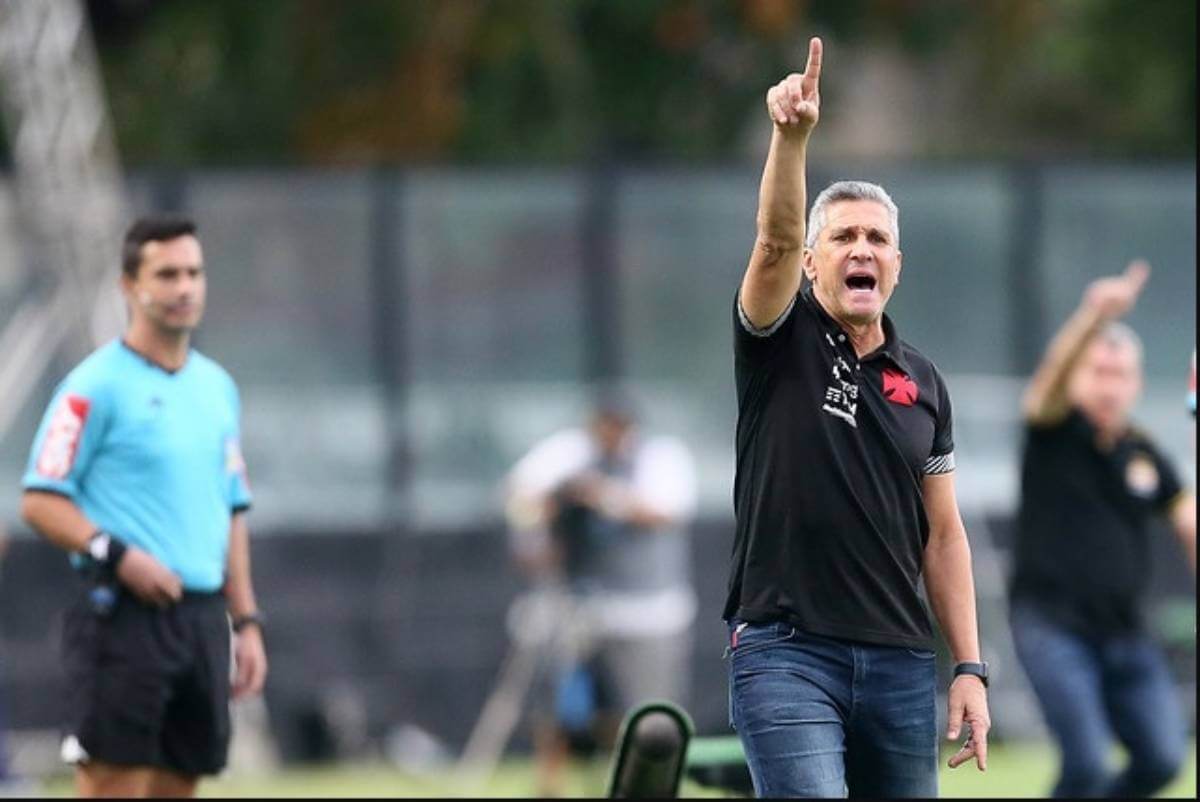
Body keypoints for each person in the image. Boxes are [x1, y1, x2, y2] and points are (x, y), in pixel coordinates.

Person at [724, 37, 991, 797]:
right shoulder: (780, 339)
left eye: (877, 238)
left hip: (901, 664)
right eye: (842, 237)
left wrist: (968, 666)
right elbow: (773, 238)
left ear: (897, 265)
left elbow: (944, 535)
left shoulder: (924, 382)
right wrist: (791, 137)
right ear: (813, 263)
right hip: (785, 654)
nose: (860, 249)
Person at [19, 215, 268, 798]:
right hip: (125, 619)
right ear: (130, 285)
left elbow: (232, 507)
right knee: (113, 786)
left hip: (202, 618)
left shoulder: (216, 388)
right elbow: (40, 498)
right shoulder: (93, 386)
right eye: (167, 274)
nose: (184, 288)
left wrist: (247, 621)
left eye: (194, 273)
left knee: (180, 786)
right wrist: (119, 554)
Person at [1007, 260, 1196, 798]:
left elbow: (1189, 522)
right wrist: (1094, 316)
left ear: (1137, 381)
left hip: (1126, 633)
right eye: (1099, 371)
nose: (1110, 386)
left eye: (1121, 374)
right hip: (1053, 627)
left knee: (1161, 761)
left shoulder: (1145, 453)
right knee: (1086, 765)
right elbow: (1046, 384)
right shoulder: (1052, 430)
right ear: (1077, 375)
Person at [503, 391, 697, 796]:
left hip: (646, 610)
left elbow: (662, 512)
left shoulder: (660, 458)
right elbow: (521, 499)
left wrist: (600, 496)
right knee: (551, 700)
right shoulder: (568, 454)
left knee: (644, 711)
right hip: (575, 602)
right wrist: (549, 514)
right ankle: (549, 786)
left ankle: (640, 785)